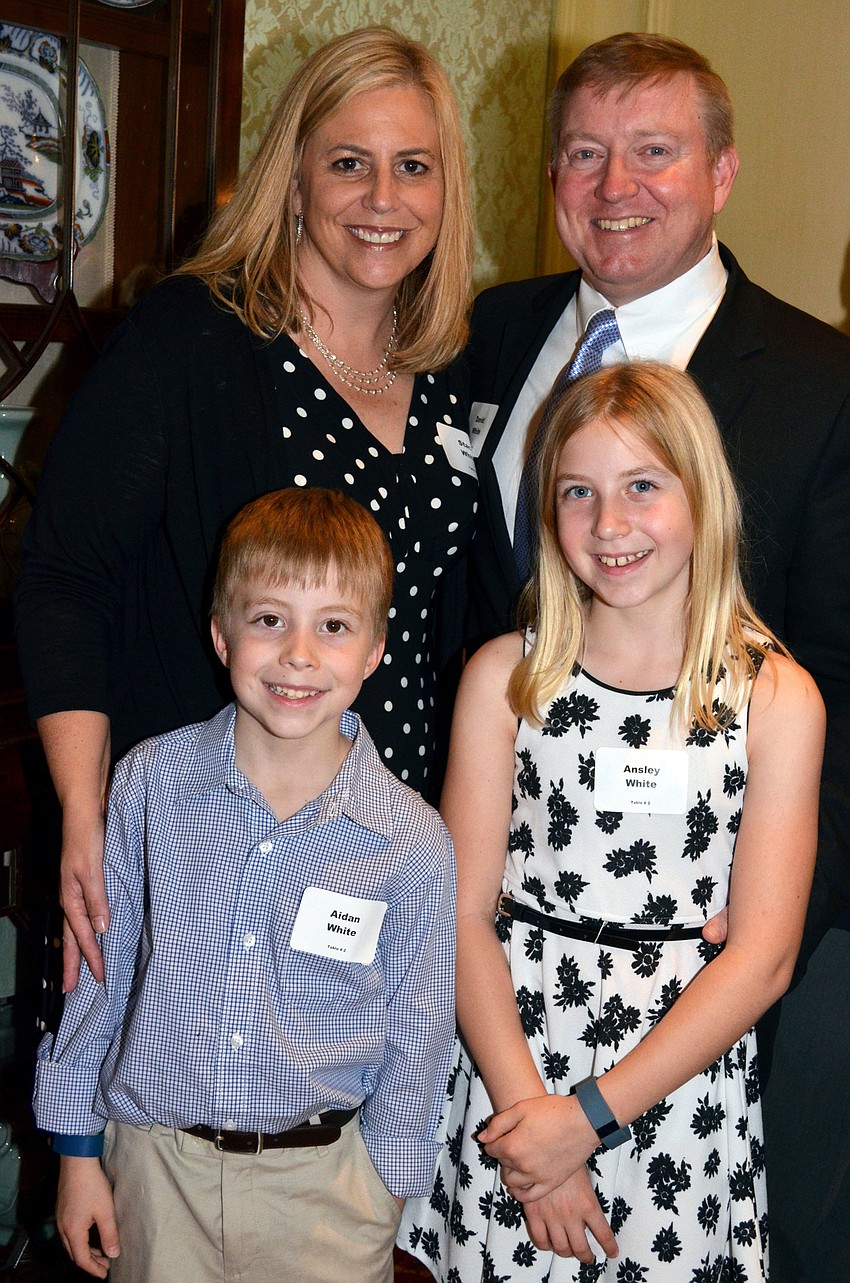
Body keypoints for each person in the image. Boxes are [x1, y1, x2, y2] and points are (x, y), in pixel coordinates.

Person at [465, 33, 850, 1279]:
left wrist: (775, 918)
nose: (614, 184)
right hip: (503, 981)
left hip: (707, 976)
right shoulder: (486, 332)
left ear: (723, 172)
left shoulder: (820, 384)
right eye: (584, 153)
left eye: (653, 151)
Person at [15, 26, 475, 996]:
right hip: (204, 849)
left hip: (385, 862)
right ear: (294, 180)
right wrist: (84, 813)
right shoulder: (195, 338)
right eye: (348, 163)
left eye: (413, 167)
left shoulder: (447, 376)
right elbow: (67, 578)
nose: (383, 199)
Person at [401, 362, 823, 1281]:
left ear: (700, 494)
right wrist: (533, 1127)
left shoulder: (775, 697)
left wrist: (587, 1116)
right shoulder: (504, 681)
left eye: (642, 486)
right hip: (514, 1064)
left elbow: (764, 955)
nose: (609, 523)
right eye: (577, 492)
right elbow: (462, 912)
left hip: (674, 1080)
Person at [32, 487, 456, 1283]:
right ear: (222, 634)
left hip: (327, 1192)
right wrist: (77, 1152)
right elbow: (99, 971)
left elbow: (420, 1031)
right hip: (157, 1178)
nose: (299, 653)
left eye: (333, 626)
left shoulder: (410, 839)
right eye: (269, 620)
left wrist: (386, 1190)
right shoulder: (149, 783)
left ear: (373, 649)